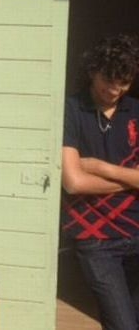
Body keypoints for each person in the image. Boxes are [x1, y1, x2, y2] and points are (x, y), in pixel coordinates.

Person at [61, 33, 139, 330]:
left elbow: (85, 174)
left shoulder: (136, 111)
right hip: (95, 238)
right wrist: (131, 178)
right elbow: (74, 182)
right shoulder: (70, 109)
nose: (116, 90)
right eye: (109, 80)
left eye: (124, 82)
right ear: (93, 71)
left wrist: (99, 167)